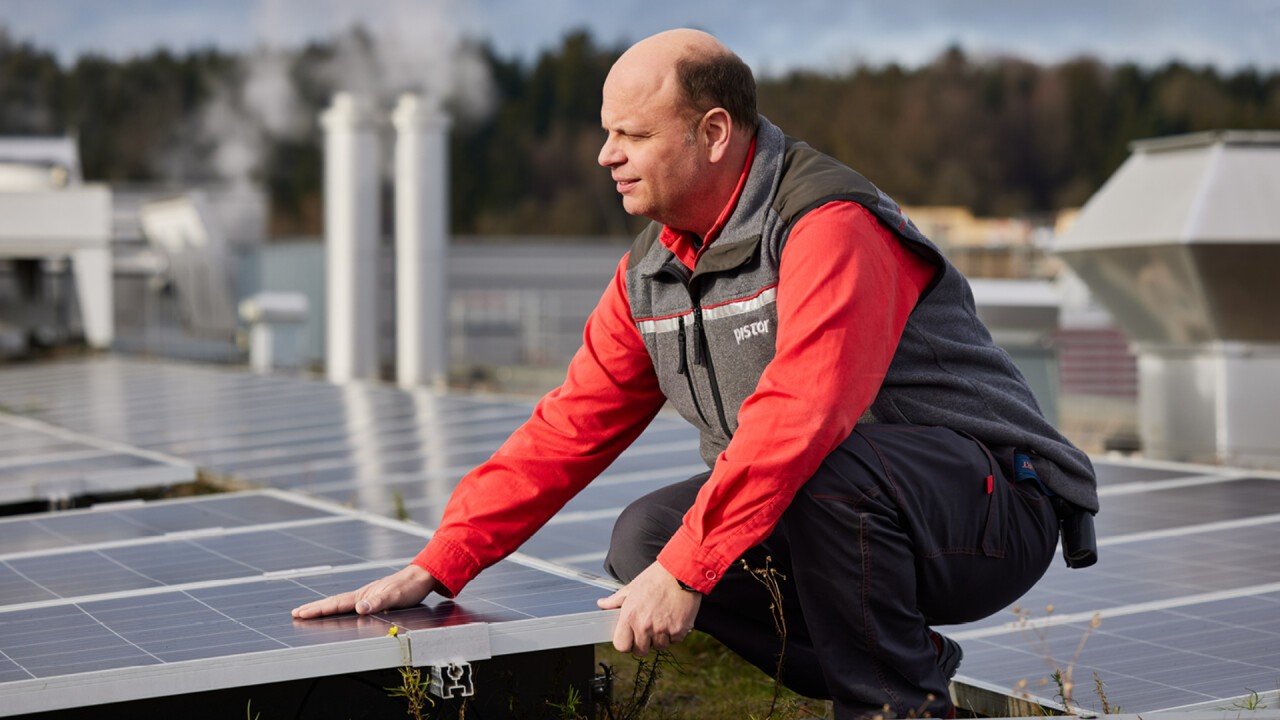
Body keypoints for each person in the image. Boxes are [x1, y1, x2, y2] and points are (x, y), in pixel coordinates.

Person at [293, 28, 1098, 719]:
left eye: (633, 136)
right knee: (644, 536)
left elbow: (804, 413)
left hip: (989, 508)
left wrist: (691, 569)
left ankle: (895, 707)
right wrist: (443, 560)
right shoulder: (652, 272)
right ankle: (911, 664)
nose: (606, 155)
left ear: (713, 133)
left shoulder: (827, 225)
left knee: (786, 486)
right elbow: (570, 425)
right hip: (848, 504)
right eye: (606, 134)